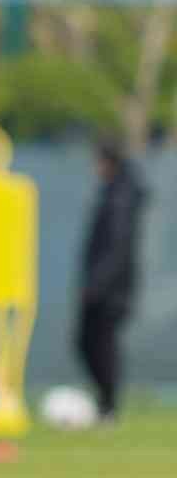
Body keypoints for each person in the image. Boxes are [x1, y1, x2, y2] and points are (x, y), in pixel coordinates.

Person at [77, 140, 146, 424]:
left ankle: (108, 407)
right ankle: (105, 404)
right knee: (90, 343)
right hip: (107, 284)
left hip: (110, 288)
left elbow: (116, 248)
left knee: (101, 344)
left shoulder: (120, 198)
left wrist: (97, 283)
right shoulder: (115, 193)